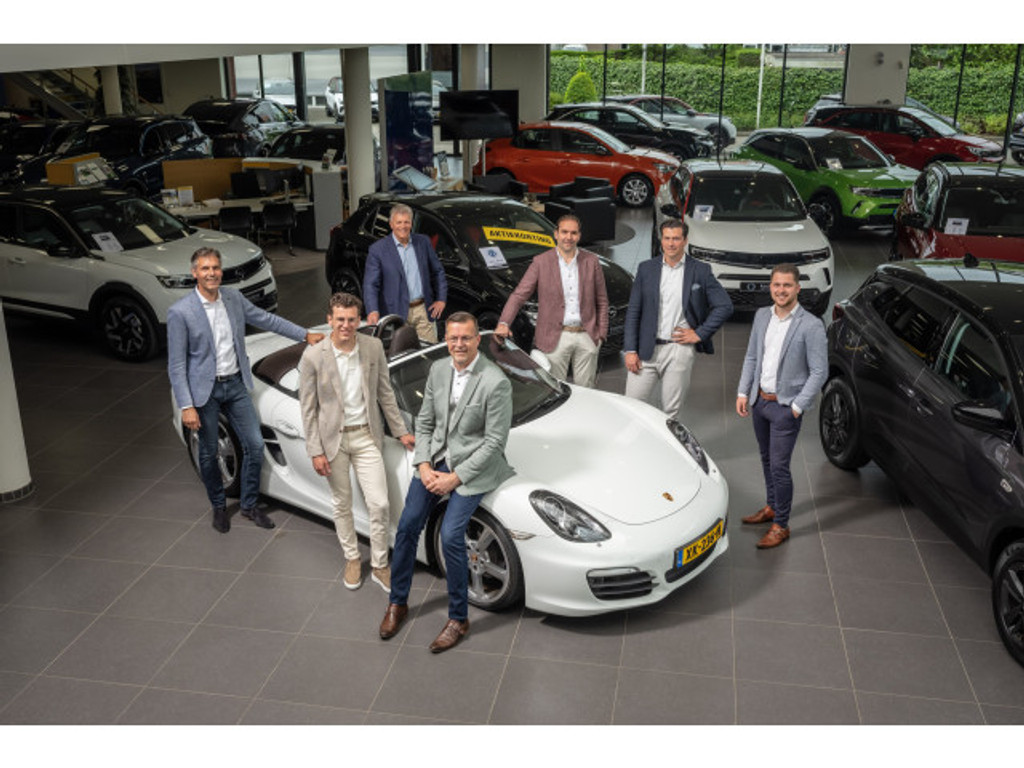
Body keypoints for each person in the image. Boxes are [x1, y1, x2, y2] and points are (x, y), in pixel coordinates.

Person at [378, 312, 514, 653]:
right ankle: (398, 602)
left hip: (472, 467)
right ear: (446, 340)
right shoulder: (438, 370)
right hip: (436, 458)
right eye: (453, 338)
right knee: (408, 525)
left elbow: (494, 443)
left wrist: (455, 478)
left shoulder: (495, 381)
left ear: (477, 340)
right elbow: (425, 423)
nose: (459, 344)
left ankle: (458, 618)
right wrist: (424, 465)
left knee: (451, 535)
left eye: (466, 338)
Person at [167, 247, 324, 533]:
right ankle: (218, 506)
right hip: (205, 392)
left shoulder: (233, 298)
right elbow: (176, 365)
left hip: (236, 384)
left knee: (254, 444)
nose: (212, 273)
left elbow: (267, 320)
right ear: (195, 273)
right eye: (205, 268)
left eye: (215, 268)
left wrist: (304, 334)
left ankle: (249, 504)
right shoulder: (180, 312)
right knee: (209, 452)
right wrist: (186, 405)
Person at [298, 292, 415, 591]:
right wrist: (315, 450)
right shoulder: (313, 356)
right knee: (342, 503)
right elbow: (308, 409)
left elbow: (385, 392)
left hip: (366, 435)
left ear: (359, 320)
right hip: (333, 441)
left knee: (380, 504)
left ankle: (379, 564)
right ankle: (352, 558)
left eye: (351, 320)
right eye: (340, 319)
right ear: (329, 320)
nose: (346, 325)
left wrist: (400, 430)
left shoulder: (372, 347)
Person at [736, 264, 827, 549]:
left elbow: (819, 372)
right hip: (760, 401)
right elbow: (752, 356)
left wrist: (797, 407)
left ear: (797, 288)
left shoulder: (811, 325)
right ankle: (772, 506)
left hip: (785, 408)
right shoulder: (762, 315)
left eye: (787, 285)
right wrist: (743, 391)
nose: (781, 290)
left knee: (779, 467)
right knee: (766, 459)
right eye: (776, 285)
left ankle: (781, 525)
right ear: (770, 287)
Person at [623, 218, 732, 420]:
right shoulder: (646, 269)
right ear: (661, 239)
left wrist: (700, 333)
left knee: (671, 413)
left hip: (678, 350)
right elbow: (634, 311)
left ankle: (668, 442)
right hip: (645, 349)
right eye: (667, 238)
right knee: (631, 407)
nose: (671, 243)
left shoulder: (700, 270)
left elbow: (725, 306)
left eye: (676, 238)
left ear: (685, 241)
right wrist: (630, 350)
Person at [494, 214, 608, 387]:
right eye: (564, 232)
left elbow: (602, 300)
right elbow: (519, 295)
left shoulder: (591, 261)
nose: (568, 237)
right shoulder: (541, 262)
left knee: (586, 390)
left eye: (573, 233)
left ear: (579, 236)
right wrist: (504, 323)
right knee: (555, 388)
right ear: (556, 234)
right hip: (555, 337)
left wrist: (601, 335)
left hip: (587, 336)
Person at [363, 203, 447, 342]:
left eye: (406, 222)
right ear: (391, 224)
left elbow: (438, 271)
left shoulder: (423, 242)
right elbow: (370, 284)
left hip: (422, 309)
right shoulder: (378, 250)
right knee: (401, 352)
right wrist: (373, 310)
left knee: (430, 350)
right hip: (396, 312)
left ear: (411, 223)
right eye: (399, 222)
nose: (403, 226)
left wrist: (441, 299)